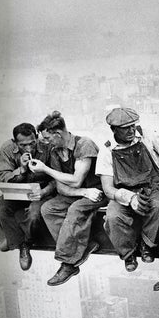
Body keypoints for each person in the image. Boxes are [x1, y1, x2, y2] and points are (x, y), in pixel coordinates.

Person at [96, 106, 159, 277]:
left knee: (158, 206)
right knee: (113, 217)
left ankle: (147, 245)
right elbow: (108, 189)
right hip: (124, 192)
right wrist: (130, 199)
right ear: (114, 130)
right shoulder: (107, 150)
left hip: (153, 186)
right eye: (125, 128)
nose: (131, 130)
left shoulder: (147, 135)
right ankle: (128, 254)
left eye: (132, 126)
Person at [25, 111, 103, 287]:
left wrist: (45, 169)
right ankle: (86, 245)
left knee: (75, 210)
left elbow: (76, 179)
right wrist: (82, 192)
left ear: (58, 134)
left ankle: (68, 264)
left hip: (98, 191)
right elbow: (60, 186)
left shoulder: (84, 145)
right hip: (82, 192)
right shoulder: (55, 151)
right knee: (48, 208)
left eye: (47, 138)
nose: (45, 143)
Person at [0, 122, 52, 271]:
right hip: (16, 192)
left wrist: (43, 192)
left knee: (34, 215)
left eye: (32, 143)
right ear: (15, 142)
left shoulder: (47, 147)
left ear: (37, 137)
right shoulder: (7, 148)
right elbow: (4, 177)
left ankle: (17, 241)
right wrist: (22, 169)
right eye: (23, 145)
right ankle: (20, 242)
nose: (29, 148)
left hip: (40, 192)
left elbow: (55, 178)